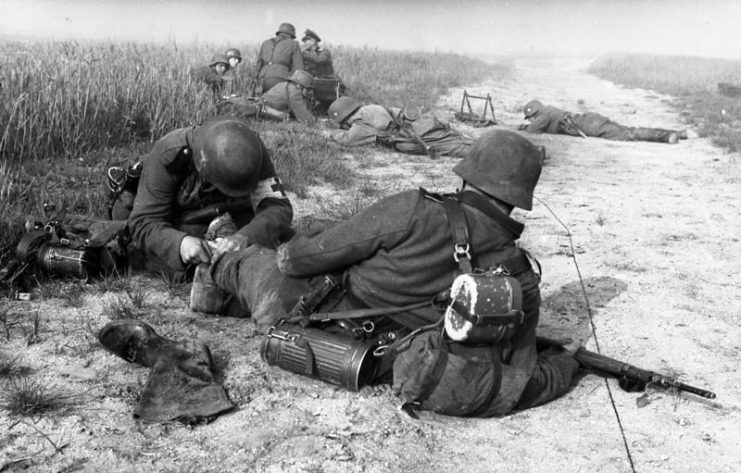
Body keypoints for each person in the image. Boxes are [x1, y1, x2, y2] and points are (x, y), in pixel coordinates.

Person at [209, 129, 580, 417]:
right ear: (517, 199)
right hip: (380, 361)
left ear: (467, 176)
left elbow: (295, 261)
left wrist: (297, 242)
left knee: (250, 261)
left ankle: (211, 273)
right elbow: (521, 370)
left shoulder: (416, 209)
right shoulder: (520, 275)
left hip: (305, 318)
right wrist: (568, 362)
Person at [125, 117, 293, 281]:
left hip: (224, 211)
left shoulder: (250, 148)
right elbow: (143, 222)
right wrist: (181, 244)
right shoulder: (170, 153)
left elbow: (279, 207)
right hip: (177, 215)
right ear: (202, 168)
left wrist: (246, 237)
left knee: (280, 238)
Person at [326, 96, 471, 158]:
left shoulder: (360, 126)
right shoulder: (372, 107)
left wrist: (334, 133)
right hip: (421, 124)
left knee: (451, 148)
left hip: (411, 139)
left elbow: (347, 140)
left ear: (345, 118)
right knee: (452, 137)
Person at [519, 99, 684, 144]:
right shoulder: (547, 111)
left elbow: (532, 130)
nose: (532, 120)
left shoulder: (543, 115)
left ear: (534, 114)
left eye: (531, 117)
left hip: (588, 125)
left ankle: (666, 137)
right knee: (628, 130)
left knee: (628, 134)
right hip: (588, 120)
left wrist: (523, 127)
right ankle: (676, 133)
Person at [255, 23, 304, 93]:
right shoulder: (293, 44)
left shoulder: (265, 42)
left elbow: (259, 63)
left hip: (262, 78)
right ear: (290, 35)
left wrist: (256, 78)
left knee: (264, 101)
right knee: (281, 101)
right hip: (280, 78)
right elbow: (298, 67)